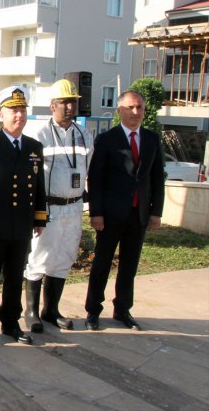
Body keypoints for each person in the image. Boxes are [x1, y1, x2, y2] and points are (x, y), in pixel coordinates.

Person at [0, 86, 47, 348]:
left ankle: (11, 323)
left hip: (22, 225)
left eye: (23, 109)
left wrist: (39, 218)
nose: (19, 114)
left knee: (15, 278)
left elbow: (39, 186)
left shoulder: (34, 147)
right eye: (13, 109)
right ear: (1, 114)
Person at [85, 91, 164, 331]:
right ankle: (93, 312)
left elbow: (157, 178)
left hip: (138, 215)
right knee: (102, 264)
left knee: (130, 265)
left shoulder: (151, 139)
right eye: (130, 107)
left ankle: (122, 310)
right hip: (109, 215)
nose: (136, 112)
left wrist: (155, 212)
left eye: (140, 107)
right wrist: (96, 212)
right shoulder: (107, 140)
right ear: (119, 110)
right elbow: (95, 179)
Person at [23, 79, 94, 333]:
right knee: (39, 258)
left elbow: (89, 170)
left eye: (73, 102)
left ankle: (51, 310)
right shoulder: (39, 134)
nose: (70, 106)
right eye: (64, 102)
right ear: (52, 106)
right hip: (49, 208)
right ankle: (30, 311)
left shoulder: (84, 135)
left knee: (64, 258)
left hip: (74, 208)